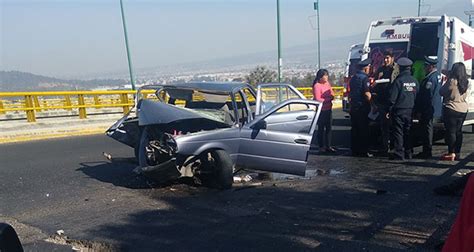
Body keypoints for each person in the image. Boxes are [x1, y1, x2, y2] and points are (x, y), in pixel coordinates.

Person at [387, 57, 419, 160]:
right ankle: (409, 152)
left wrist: (389, 110)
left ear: (400, 68)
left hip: (399, 111)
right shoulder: (415, 81)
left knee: (398, 132)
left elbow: (392, 99)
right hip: (411, 110)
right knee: (408, 132)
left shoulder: (398, 81)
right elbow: (418, 96)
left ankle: (399, 153)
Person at [439, 62, 469, 161]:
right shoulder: (465, 82)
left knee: (451, 131)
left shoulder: (452, 81)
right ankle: (457, 152)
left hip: (452, 107)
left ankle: (451, 152)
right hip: (463, 109)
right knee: (458, 131)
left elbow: (442, 92)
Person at [413, 56, 442, 158]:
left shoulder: (430, 79)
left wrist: (421, 110)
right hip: (432, 108)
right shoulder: (437, 76)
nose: (424, 68)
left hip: (428, 109)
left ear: (430, 66)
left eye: (426, 65)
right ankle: (426, 150)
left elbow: (427, 96)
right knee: (427, 129)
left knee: (427, 130)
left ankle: (427, 151)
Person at [373, 51, 399, 155]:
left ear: (392, 58)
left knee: (396, 125)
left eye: (387, 58)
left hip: (394, 101)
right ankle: (385, 146)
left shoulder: (397, 69)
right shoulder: (381, 70)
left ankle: (396, 147)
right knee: (384, 126)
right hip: (383, 101)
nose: (385, 60)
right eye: (384, 58)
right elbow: (376, 82)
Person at [349, 58, 372, 157]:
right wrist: (373, 103)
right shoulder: (364, 78)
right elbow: (367, 94)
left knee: (355, 129)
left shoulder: (353, 78)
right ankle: (364, 151)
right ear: (366, 68)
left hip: (354, 107)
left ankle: (355, 150)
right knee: (363, 130)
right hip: (362, 107)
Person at [311, 69, 336, 153]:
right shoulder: (317, 86)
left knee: (329, 128)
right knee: (321, 128)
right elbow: (318, 99)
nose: (326, 77)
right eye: (325, 75)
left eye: (327, 75)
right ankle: (321, 146)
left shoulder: (327, 84)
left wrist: (329, 98)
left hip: (329, 109)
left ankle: (328, 146)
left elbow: (332, 94)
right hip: (321, 110)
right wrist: (328, 99)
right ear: (320, 77)